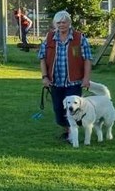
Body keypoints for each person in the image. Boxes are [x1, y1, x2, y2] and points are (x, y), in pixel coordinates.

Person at [38, 11, 93, 144]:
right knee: (58, 109)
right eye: (59, 22)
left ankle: (71, 135)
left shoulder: (79, 39)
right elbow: (42, 58)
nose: (61, 25)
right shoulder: (49, 38)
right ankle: (67, 129)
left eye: (64, 22)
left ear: (69, 23)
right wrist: (45, 77)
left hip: (74, 82)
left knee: (74, 110)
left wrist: (86, 78)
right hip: (55, 82)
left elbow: (87, 59)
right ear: (55, 24)